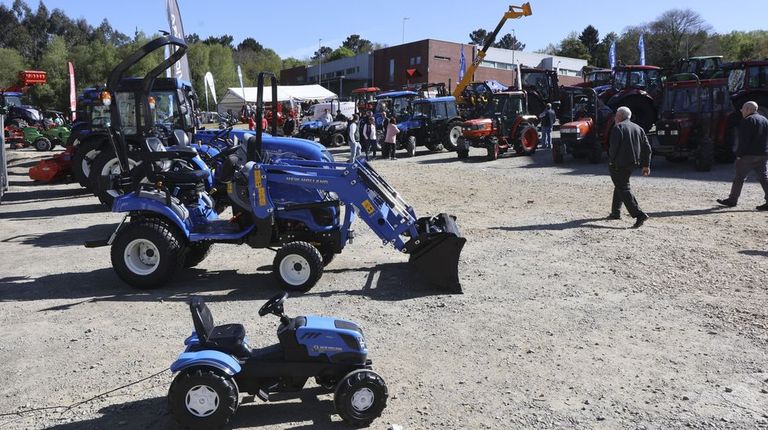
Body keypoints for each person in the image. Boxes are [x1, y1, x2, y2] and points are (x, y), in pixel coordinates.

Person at [717, 101, 768, 210]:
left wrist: (739, 155)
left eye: (743, 109)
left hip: (748, 155)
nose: (741, 111)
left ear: (748, 109)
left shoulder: (747, 121)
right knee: (764, 178)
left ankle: (732, 200)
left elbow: (744, 141)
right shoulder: (765, 120)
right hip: (763, 154)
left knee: (739, 177)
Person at [606, 106, 652, 228]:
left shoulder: (618, 128)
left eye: (616, 115)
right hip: (633, 164)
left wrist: (611, 161)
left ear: (620, 116)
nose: (615, 117)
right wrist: (646, 165)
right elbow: (647, 148)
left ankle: (639, 214)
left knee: (623, 187)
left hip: (619, 164)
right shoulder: (638, 128)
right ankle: (615, 212)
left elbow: (613, 149)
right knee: (620, 185)